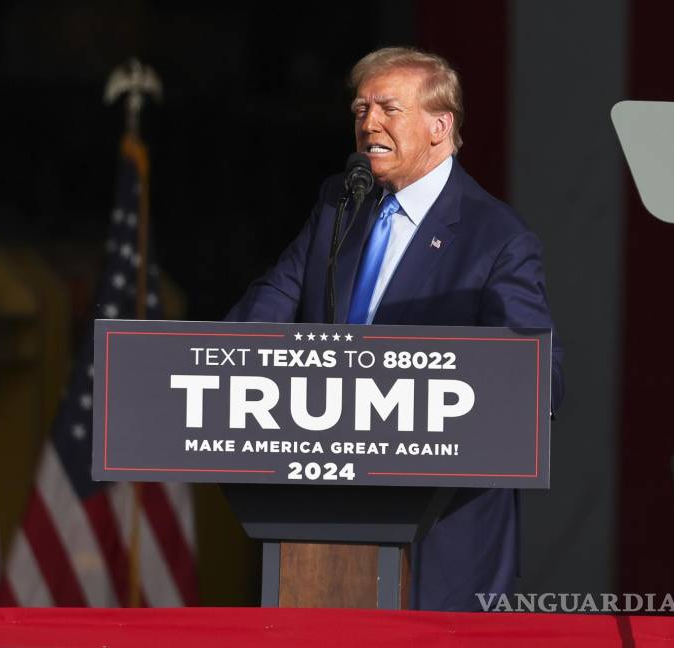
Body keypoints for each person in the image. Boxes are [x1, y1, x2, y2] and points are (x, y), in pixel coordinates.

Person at [226, 46, 563, 610]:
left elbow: (538, 377)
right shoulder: (341, 203)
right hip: (326, 525)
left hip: (443, 532)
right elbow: (271, 302)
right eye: (360, 110)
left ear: (439, 125)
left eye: (387, 108)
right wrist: (218, 363)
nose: (368, 124)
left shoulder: (497, 236)